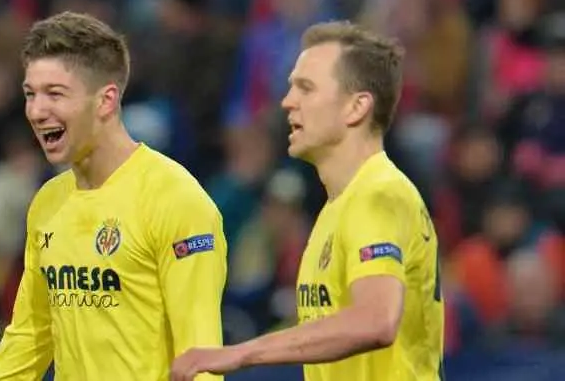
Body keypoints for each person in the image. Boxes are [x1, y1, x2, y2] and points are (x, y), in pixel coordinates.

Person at [170, 21, 444, 381]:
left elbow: (375, 321)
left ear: (356, 107)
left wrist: (239, 354)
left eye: (306, 88)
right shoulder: (337, 209)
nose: (287, 102)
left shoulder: (377, 195)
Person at [0, 11, 227, 381]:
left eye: (55, 94)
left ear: (106, 101)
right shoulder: (48, 203)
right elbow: (29, 337)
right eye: (30, 94)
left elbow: (201, 359)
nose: (36, 111)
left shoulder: (175, 199)